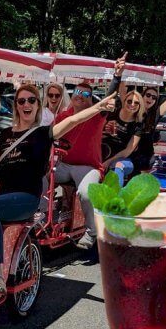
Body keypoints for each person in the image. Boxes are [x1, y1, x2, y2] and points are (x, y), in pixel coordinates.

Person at [0, 84, 117, 292]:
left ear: (37, 105)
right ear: (16, 105)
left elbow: (74, 120)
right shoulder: (6, 132)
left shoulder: (44, 132)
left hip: (26, 196)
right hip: (3, 192)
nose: (26, 104)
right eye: (21, 101)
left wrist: (99, 107)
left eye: (31, 100)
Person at [51, 54, 126, 250]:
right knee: (40, 175)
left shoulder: (96, 115)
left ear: (91, 99)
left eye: (85, 94)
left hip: (87, 167)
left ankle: (91, 231)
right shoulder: (63, 116)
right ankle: (41, 215)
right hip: (64, 164)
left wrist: (116, 76)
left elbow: (109, 96)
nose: (79, 95)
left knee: (85, 193)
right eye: (77, 91)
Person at [102, 91, 145, 186]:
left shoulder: (138, 125)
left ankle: (115, 197)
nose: (132, 104)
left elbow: (128, 151)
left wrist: (109, 162)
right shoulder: (112, 114)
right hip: (103, 153)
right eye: (129, 101)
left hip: (124, 159)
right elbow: (98, 134)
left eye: (136, 102)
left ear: (140, 105)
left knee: (118, 166)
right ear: (124, 101)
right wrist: (106, 132)